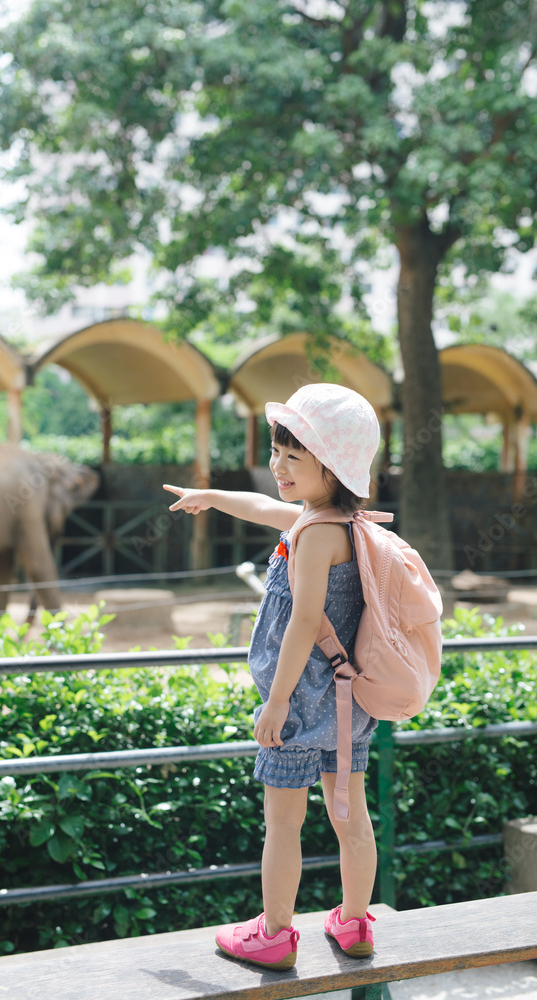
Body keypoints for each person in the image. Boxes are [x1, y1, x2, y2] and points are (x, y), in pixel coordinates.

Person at [163, 383, 382, 970]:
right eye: (277, 452)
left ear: (331, 468)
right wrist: (209, 495)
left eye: (294, 457)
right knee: (350, 815)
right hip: (348, 703)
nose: (277, 465)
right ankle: (355, 921)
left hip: (301, 704)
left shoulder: (312, 537)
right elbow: (264, 508)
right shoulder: (344, 525)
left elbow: (305, 621)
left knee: (284, 823)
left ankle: (277, 934)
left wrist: (277, 702)